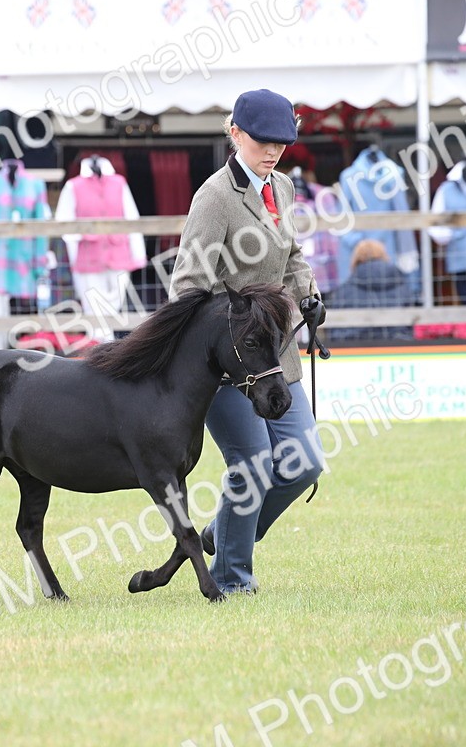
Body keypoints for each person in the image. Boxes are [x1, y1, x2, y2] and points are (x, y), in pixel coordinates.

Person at [169, 88, 325, 595]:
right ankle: (233, 578)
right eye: (263, 140)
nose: (274, 150)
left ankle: (224, 532)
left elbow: (293, 255)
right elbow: (188, 284)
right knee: (253, 464)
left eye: (283, 141)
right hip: (226, 361)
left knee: (304, 463)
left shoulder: (282, 187)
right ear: (234, 133)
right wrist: (227, 329)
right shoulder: (213, 197)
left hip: (276, 352)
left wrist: (309, 294)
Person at [325, 239, 418, 342]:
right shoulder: (401, 284)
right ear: (384, 255)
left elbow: (335, 330)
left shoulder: (344, 290)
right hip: (397, 343)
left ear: (356, 259)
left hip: (355, 345)